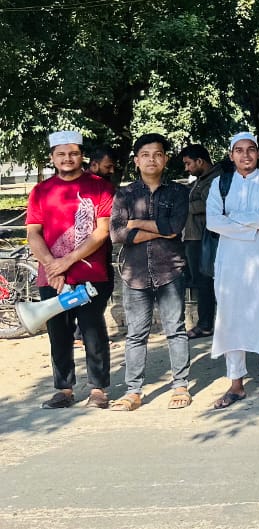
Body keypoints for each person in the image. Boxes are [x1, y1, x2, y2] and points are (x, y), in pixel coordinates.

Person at [25, 130, 115, 410]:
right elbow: (33, 233)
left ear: (81, 156)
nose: (68, 158)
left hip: (91, 274)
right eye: (61, 154)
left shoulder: (100, 187)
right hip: (52, 277)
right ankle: (64, 389)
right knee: (58, 333)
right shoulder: (41, 191)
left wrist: (67, 261)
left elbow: (101, 231)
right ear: (52, 157)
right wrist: (52, 266)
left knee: (93, 331)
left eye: (73, 153)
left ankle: (98, 388)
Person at [109, 133, 192, 411]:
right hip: (134, 273)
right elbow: (117, 234)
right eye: (145, 155)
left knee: (175, 329)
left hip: (170, 269)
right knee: (135, 334)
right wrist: (158, 228)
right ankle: (133, 390)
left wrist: (135, 223)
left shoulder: (178, 192)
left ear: (165, 159)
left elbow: (174, 228)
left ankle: (180, 385)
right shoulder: (125, 194)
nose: (151, 160)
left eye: (157, 154)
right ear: (136, 161)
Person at [206, 133, 259, 408]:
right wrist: (251, 227)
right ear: (231, 156)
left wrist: (233, 219)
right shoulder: (220, 183)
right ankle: (236, 384)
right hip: (230, 261)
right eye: (239, 150)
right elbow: (213, 221)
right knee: (231, 318)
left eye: (251, 149)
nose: (245, 155)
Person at [179, 144, 224, 339]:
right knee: (200, 282)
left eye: (188, 163)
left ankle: (206, 325)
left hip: (203, 237)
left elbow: (210, 204)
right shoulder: (202, 179)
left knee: (205, 282)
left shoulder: (215, 179)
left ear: (200, 161)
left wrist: (184, 205)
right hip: (194, 236)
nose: (187, 168)